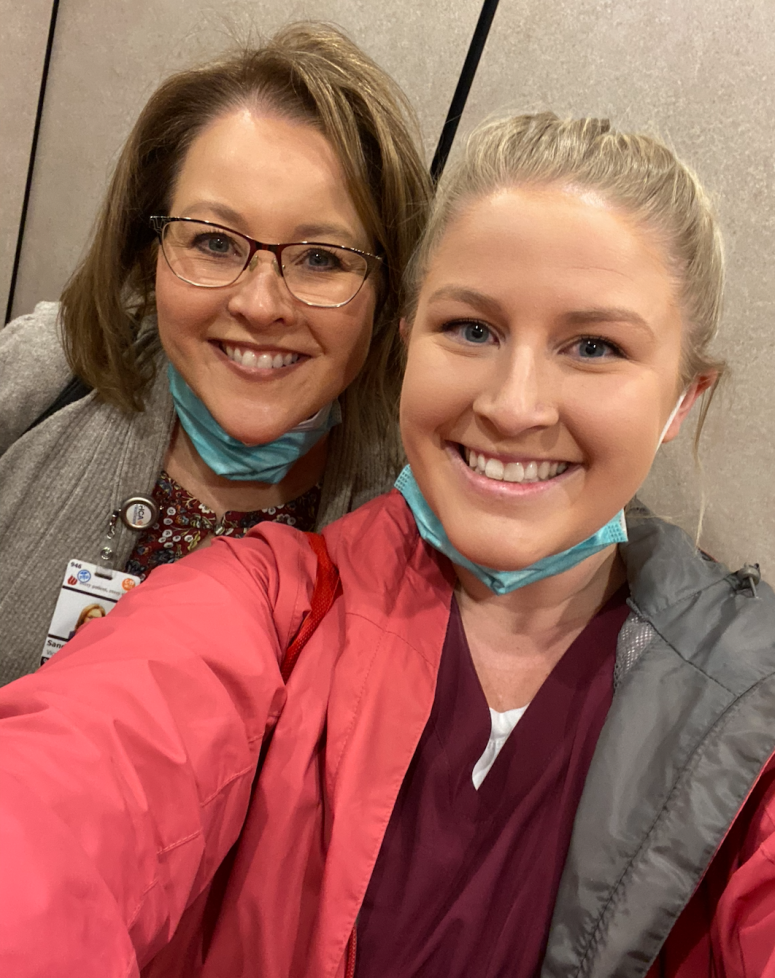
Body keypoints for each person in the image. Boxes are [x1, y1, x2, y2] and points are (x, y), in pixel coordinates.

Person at [2, 112, 774, 978]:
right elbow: (71, 797)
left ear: (682, 398)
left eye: (593, 347)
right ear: (407, 341)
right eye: (471, 330)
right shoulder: (262, 600)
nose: (515, 405)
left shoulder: (752, 710)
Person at [0, 21, 431, 685]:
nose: (261, 306)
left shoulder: (426, 495)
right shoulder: (42, 375)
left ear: (384, 290)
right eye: (214, 243)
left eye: (321, 258)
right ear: (150, 255)